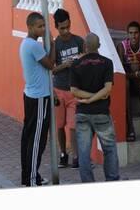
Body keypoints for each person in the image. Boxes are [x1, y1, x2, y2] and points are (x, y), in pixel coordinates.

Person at [71, 33, 120, 182]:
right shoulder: (107, 63)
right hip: (101, 113)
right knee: (109, 149)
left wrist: (88, 99)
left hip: (82, 113)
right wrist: (96, 97)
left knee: (84, 153)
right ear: (99, 46)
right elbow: (107, 89)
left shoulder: (76, 65)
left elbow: (74, 91)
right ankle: (111, 181)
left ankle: (88, 184)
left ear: (85, 46)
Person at [20, 12, 55, 187]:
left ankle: (29, 176)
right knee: (37, 140)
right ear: (30, 27)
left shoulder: (26, 44)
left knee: (28, 137)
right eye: (40, 26)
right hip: (40, 98)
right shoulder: (34, 46)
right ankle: (32, 180)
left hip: (31, 95)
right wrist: (53, 44)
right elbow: (51, 65)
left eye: (44, 25)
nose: (43, 29)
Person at [51, 9, 85, 168]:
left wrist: (80, 61)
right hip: (59, 90)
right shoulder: (55, 44)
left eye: (67, 27)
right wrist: (65, 65)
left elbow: (86, 60)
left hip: (74, 90)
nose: (65, 31)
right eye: (62, 28)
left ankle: (76, 156)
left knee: (73, 125)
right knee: (59, 125)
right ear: (56, 27)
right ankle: (63, 153)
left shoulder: (78, 41)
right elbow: (51, 69)